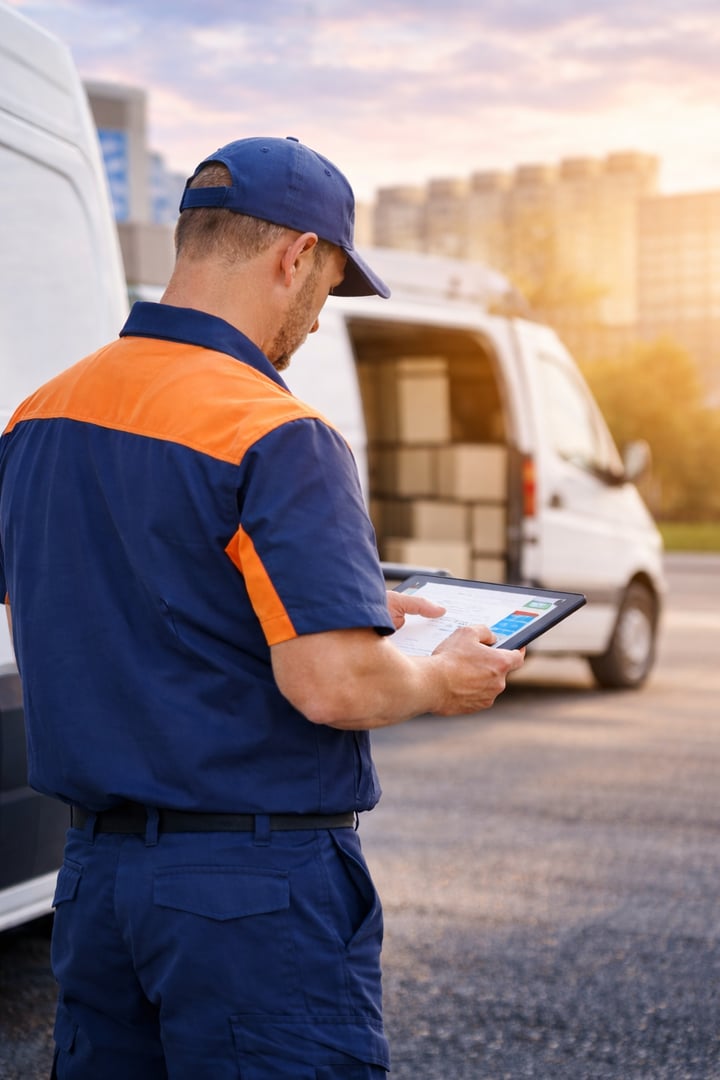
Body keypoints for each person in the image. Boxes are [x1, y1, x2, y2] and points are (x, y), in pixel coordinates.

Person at [0, 135, 524, 1079]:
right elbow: (333, 684)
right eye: (327, 285)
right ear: (294, 257)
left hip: (95, 885)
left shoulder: (38, 414)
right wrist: (441, 681)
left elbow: (90, 578)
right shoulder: (276, 431)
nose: (318, 319)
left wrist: (348, 600)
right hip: (253, 897)